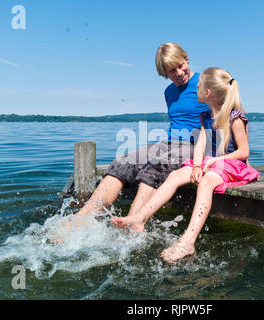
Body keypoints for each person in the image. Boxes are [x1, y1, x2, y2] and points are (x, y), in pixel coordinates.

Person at [56, 42, 210, 238]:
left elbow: (231, 113)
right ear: (164, 74)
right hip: (169, 143)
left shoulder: (205, 83)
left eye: (180, 66)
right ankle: (82, 220)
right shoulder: (169, 92)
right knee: (123, 162)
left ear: (186, 59)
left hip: (196, 145)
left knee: (154, 167)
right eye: (171, 71)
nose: (179, 73)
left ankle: (131, 227)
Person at [112, 67, 260, 263]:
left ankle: (188, 241)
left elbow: (244, 152)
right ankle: (141, 217)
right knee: (174, 176)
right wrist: (197, 165)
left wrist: (217, 160)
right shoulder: (205, 116)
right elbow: (201, 144)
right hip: (211, 163)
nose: (195, 88)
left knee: (206, 182)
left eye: (198, 87)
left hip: (232, 165)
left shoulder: (235, 117)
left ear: (207, 93)